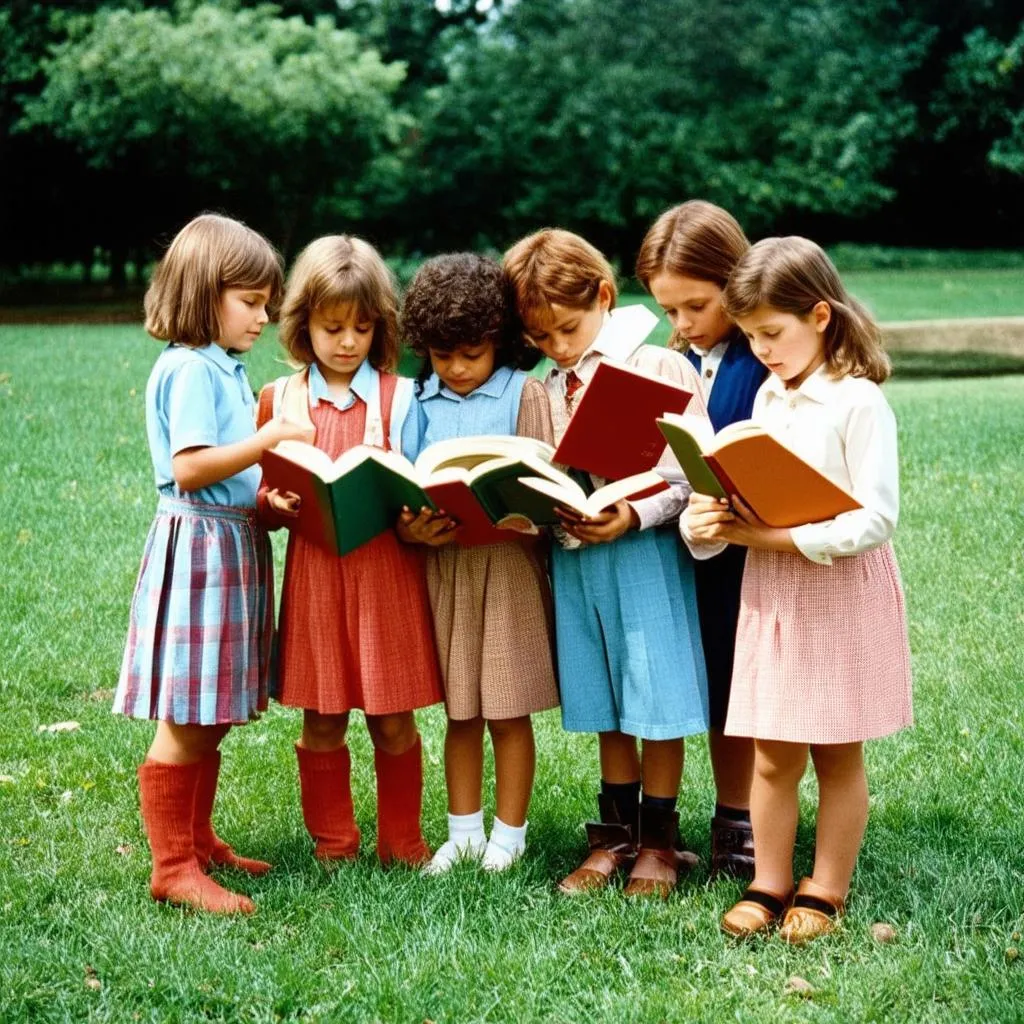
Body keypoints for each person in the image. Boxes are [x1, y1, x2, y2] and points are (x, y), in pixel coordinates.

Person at [684, 236, 913, 943]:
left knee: (835, 750)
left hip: (834, 588)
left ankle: (827, 885)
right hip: (773, 594)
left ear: (820, 315)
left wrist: (776, 539)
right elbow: (742, 506)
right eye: (750, 337)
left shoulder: (857, 402)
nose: (761, 351)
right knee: (772, 750)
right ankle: (771, 878)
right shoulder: (769, 401)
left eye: (771, 334)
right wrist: (708, 520)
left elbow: (876, 516)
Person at [503, 228, 710, 899]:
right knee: (608, 699)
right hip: (577, 563)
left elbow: (692, 477)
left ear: (604, 296)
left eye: (568, 328)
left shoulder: (659, 368)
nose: (559, 348)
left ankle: (659, 842)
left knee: (656, 695)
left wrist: (630, 513)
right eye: (542, 339)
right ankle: (613, 839)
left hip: (644, 556)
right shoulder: (540, 389)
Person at [114, 213, 310, 913]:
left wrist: (266, 503)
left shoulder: (221, 368)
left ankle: (198, 841)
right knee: (186, 716)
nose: (263, 317)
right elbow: (191, 468)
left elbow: (223, 479)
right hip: (199, 552)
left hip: (230, 542)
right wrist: (272, 438)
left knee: (211, 713)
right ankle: (173, 867)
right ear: (204, 293)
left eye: (266, 303)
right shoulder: (189, 367)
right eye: (250, 302)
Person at [257, 235, 444, 867]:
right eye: (331, 326)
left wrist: (415, 514)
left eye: (362, 328)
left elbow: (421, 480)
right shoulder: (279, 400)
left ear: (380, 328)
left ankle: (403, 841)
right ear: (301, 321)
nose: (346, 342)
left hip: (386, 573)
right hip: (316, 575)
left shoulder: (402, 397)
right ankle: (333, 843)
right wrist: (272, 506)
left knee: (392, 718)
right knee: (323, 717)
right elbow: (263, 491)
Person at [398, 253, 559, 874]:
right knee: (460, 708)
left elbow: (548, 493)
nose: (458, 369)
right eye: (443, 356)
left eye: (471, 353)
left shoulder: (526, 392)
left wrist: (524, 514)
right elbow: (405, 483)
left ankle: (508, 836)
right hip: (447, 570)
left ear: (499, 340)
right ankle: (462, 832)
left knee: (507, 707)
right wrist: (415, 530)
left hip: (510, 569)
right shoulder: (420, 401)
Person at [636, 200, 768, 878]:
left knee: (750, 686)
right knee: (714, 679)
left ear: (735, 283)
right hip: (691, 547)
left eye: (696, 306)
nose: (684, 325)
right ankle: (721, 818)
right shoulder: (668, 360)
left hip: (759, 547)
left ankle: (741, 816)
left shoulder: (764, 357)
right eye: (670, 312)